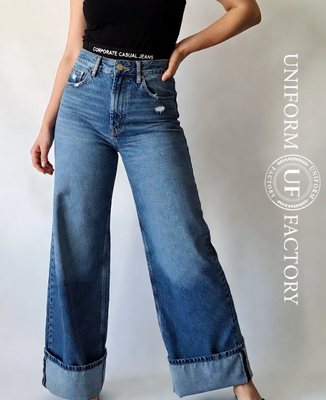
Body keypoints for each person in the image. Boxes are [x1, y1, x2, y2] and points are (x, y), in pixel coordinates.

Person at [30, 0, 264, 399]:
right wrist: (47, 124)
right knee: (77, 244)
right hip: (83, 97)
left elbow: (246, 9)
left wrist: (185, 47)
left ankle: (237, 380)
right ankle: (77, 383)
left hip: (150, 102)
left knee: (182, 242)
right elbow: (72, 49)